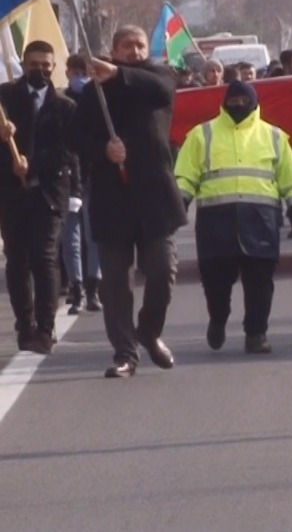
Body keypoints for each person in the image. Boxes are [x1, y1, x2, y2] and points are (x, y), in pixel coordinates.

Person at [71, 26, 188, 379]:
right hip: (113, 198)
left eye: (139, 46)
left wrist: (120, 74)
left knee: (162, 271)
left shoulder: (158, 76)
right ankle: (124, 353)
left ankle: (149, 331)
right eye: (126, 47)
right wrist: (102, 151)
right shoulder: (95, 92)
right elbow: (75, 136)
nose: (135, 51)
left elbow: (162, 89)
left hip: (155, 196)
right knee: (117, 285)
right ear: (114, 49)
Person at [174, 80, 292, 355]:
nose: (238, 104)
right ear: (225, 101)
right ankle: (218, 318)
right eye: (234, 99)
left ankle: (256, 333)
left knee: (260, 283)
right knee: (216, 283)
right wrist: (179, 203)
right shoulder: (202, 135)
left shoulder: (274, 136)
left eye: (244, 99)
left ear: (254, 101)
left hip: (260, 221)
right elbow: (185, 176)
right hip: (216, 223)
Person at [0, 41, 78, 354]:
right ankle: (26, 325)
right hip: (10, 193)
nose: (41, 70)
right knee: (17, 261)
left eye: (46, 65)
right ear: (24, 63)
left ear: (54, 67)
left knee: (45, 259)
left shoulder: (65, 107)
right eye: (34, 65)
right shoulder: (4, 99)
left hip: (47, 193)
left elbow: (67, 151)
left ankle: (45, 328)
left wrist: (32, 164)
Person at [58, 53, 100, 315]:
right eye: (77, 72)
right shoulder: (60, 103)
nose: (79, 78)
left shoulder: (100, 101)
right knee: (71, 238)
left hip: (94, 175)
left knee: (93, 235)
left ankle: (92, 290)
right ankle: (78, 290)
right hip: (68, 177)